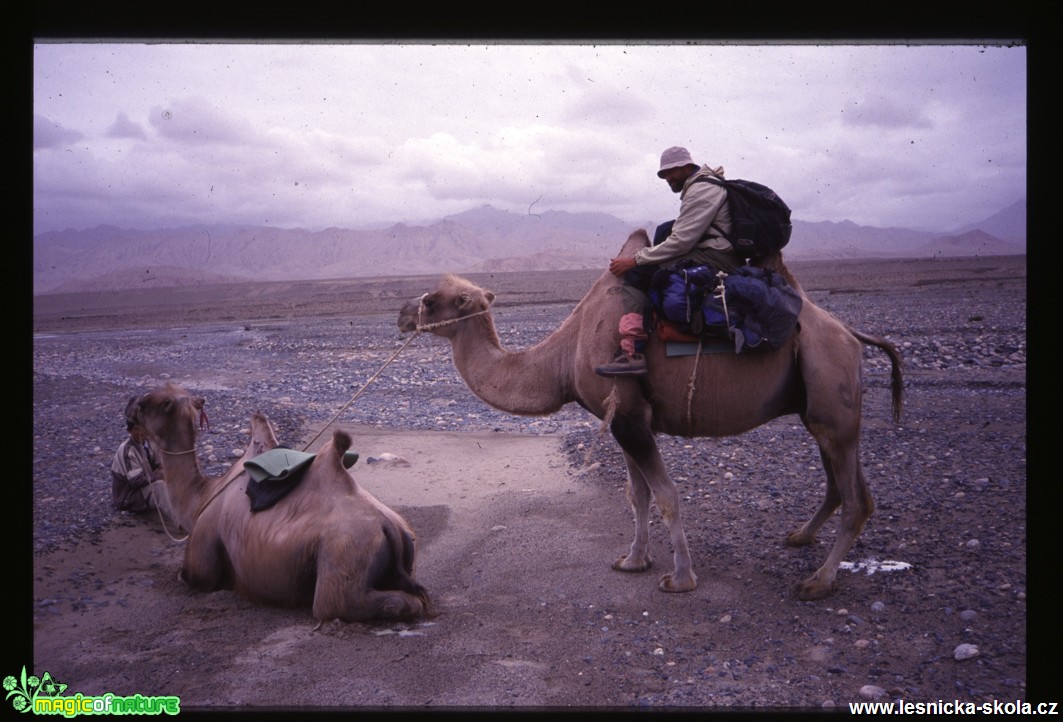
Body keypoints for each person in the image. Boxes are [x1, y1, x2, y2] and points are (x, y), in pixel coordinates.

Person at [595, 146, 746, 377]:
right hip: (714, 252)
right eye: (664, 174)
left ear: (687, 166)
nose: (668, 178)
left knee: (639, 274)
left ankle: (634, 352)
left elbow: (681, 243)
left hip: (717, 258)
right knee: (665, 229)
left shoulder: (701, 190)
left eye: (671, 172)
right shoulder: (702, 186)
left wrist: (635, 261)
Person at [110, 415, 174, 519]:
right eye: (136, 429)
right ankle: (183, 524)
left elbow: (160, 464)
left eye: (143, 427)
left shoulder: (150, 443)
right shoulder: (127, 450)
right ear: (130, 430)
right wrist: (158, 474)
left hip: (144, 487)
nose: (140, 432)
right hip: (129, 495)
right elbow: (136, 481)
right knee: (160, 487)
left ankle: (192, 513)